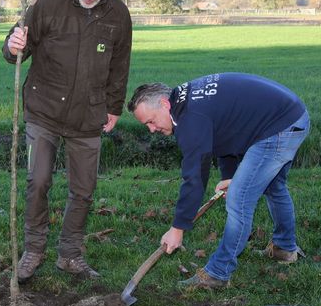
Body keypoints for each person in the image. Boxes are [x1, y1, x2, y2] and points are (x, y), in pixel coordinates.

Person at [3, 0, 133, 283]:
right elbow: (16, 47)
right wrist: (12, 45)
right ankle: (33, 250)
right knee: (39, 180)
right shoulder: (46, 3)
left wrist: (114, 106)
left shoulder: (118, 14)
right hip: (43, 108)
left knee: (84, 190)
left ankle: (70, 255)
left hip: (88, 115)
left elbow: (120, 65)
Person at [126, 73, 310, 289]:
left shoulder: (190, 119)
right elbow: (224, 132)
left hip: (279, 127)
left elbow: (194, 176)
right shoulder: (184, 103)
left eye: (151, 121)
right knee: (273, 186)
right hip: (290, 116)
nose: (151, 129)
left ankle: (218, 274)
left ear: (164, 104)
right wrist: (229, 176)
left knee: (239, 199)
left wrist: (178, 228)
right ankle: (284, 249)